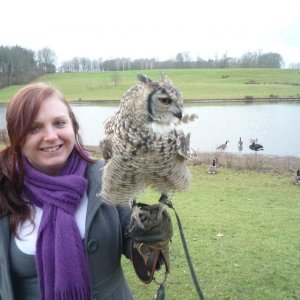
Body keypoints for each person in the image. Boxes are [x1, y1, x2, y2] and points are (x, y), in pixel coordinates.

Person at [0, 83, 172, 300]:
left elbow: (135, 246)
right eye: (34, 128)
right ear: (17, 137)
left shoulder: (105, 177)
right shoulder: (5, 190)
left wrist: (151, 239)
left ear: (73, 127)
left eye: (59, 123)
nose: (51, 136)